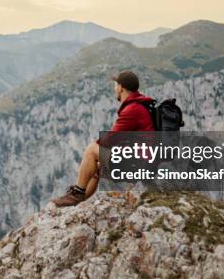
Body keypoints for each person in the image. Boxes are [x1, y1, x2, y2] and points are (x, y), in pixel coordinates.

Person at [52, 70, 155, 207]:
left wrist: (97, 146)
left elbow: (110, 140)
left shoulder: (133, 109)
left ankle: (76, 193)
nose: (114, 88)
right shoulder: (138, 105)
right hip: (145, 159)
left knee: (91, 150)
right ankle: (77, 200)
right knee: (98, 168)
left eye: (115, 85)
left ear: (120, 87)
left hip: (142, 164)